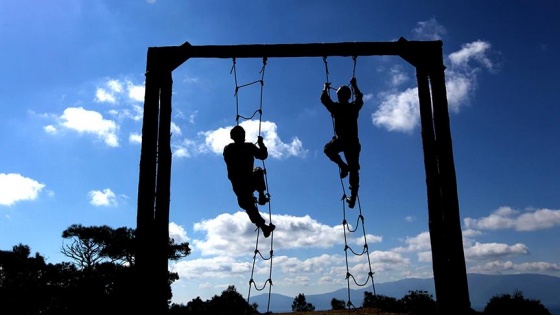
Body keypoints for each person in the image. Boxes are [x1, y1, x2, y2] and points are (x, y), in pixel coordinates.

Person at [223, 125, 275, 237]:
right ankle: (261, 194)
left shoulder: (228, 149)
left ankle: (263, 226)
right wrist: (261, 144)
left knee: (248, 205)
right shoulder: (248, 147)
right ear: (243, 136)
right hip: (248, 180)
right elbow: (263, 155)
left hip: (238, 184)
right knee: (258, 171)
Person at [321, 77, 364, 208]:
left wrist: (325, 88)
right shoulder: (353, 108)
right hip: (353, 142)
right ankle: (353, 198)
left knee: (328, 149)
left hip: (342, 141)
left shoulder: (336, 108)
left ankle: (343, 166)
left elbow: (324, 99)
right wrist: (355, 86)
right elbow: (360, 97)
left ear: (339, 96)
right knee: (354, 169)